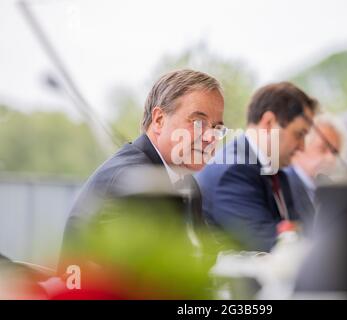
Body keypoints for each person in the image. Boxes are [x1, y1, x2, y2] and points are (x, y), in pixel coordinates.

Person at [60, 69, 226, 269]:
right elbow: (149, 279)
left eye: (217, 128)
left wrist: (256, 261)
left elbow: (206, 256)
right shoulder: (132, 181)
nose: (210, 137)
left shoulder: (183, 181)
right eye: (198, 122)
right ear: (159, 120)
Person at [195, 82, 317, 252]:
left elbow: (303, 232)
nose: (302, 147)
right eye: (299, 134)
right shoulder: (233, 172)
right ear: (269, 123)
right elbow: (270, 246)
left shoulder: (277, 172)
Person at [284, 113, 347, 232]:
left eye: (335, 153)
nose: (331, 159)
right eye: (322, 149)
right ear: (300, 146)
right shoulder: (283, 184)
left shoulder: (327, 192)